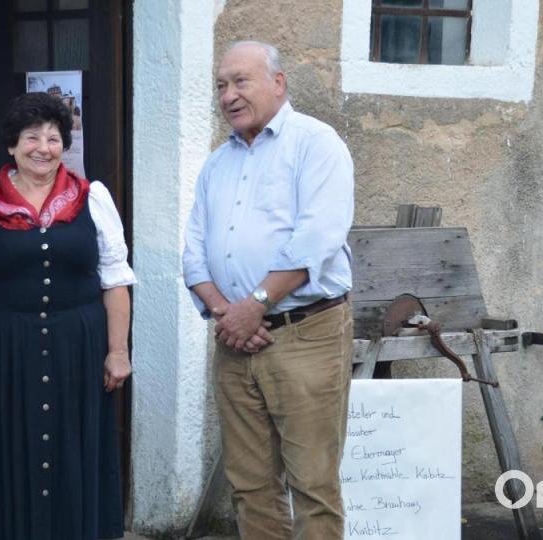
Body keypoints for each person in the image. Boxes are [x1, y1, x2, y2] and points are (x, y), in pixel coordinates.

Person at [0, 92, 135, 540]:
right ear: (12, 145)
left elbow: (115, 280)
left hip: (79, 352)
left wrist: (117, 352)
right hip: (8, 353)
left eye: (53, 138)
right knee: (10, 455)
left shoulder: (93, 199)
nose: (43, 147)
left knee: (75, 453)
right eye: (32, 137)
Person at [182, 41, 355, 539]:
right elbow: (194, 251)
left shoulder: (316, 144)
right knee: (249, 486)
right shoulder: (217, 162)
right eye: (221, 85)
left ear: (278, 83)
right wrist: (226, 313)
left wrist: (254, 305)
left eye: (241, 81)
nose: (228, 95)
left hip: (306, 334)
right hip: (235, 338)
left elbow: (315, 240)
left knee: (313, 486)